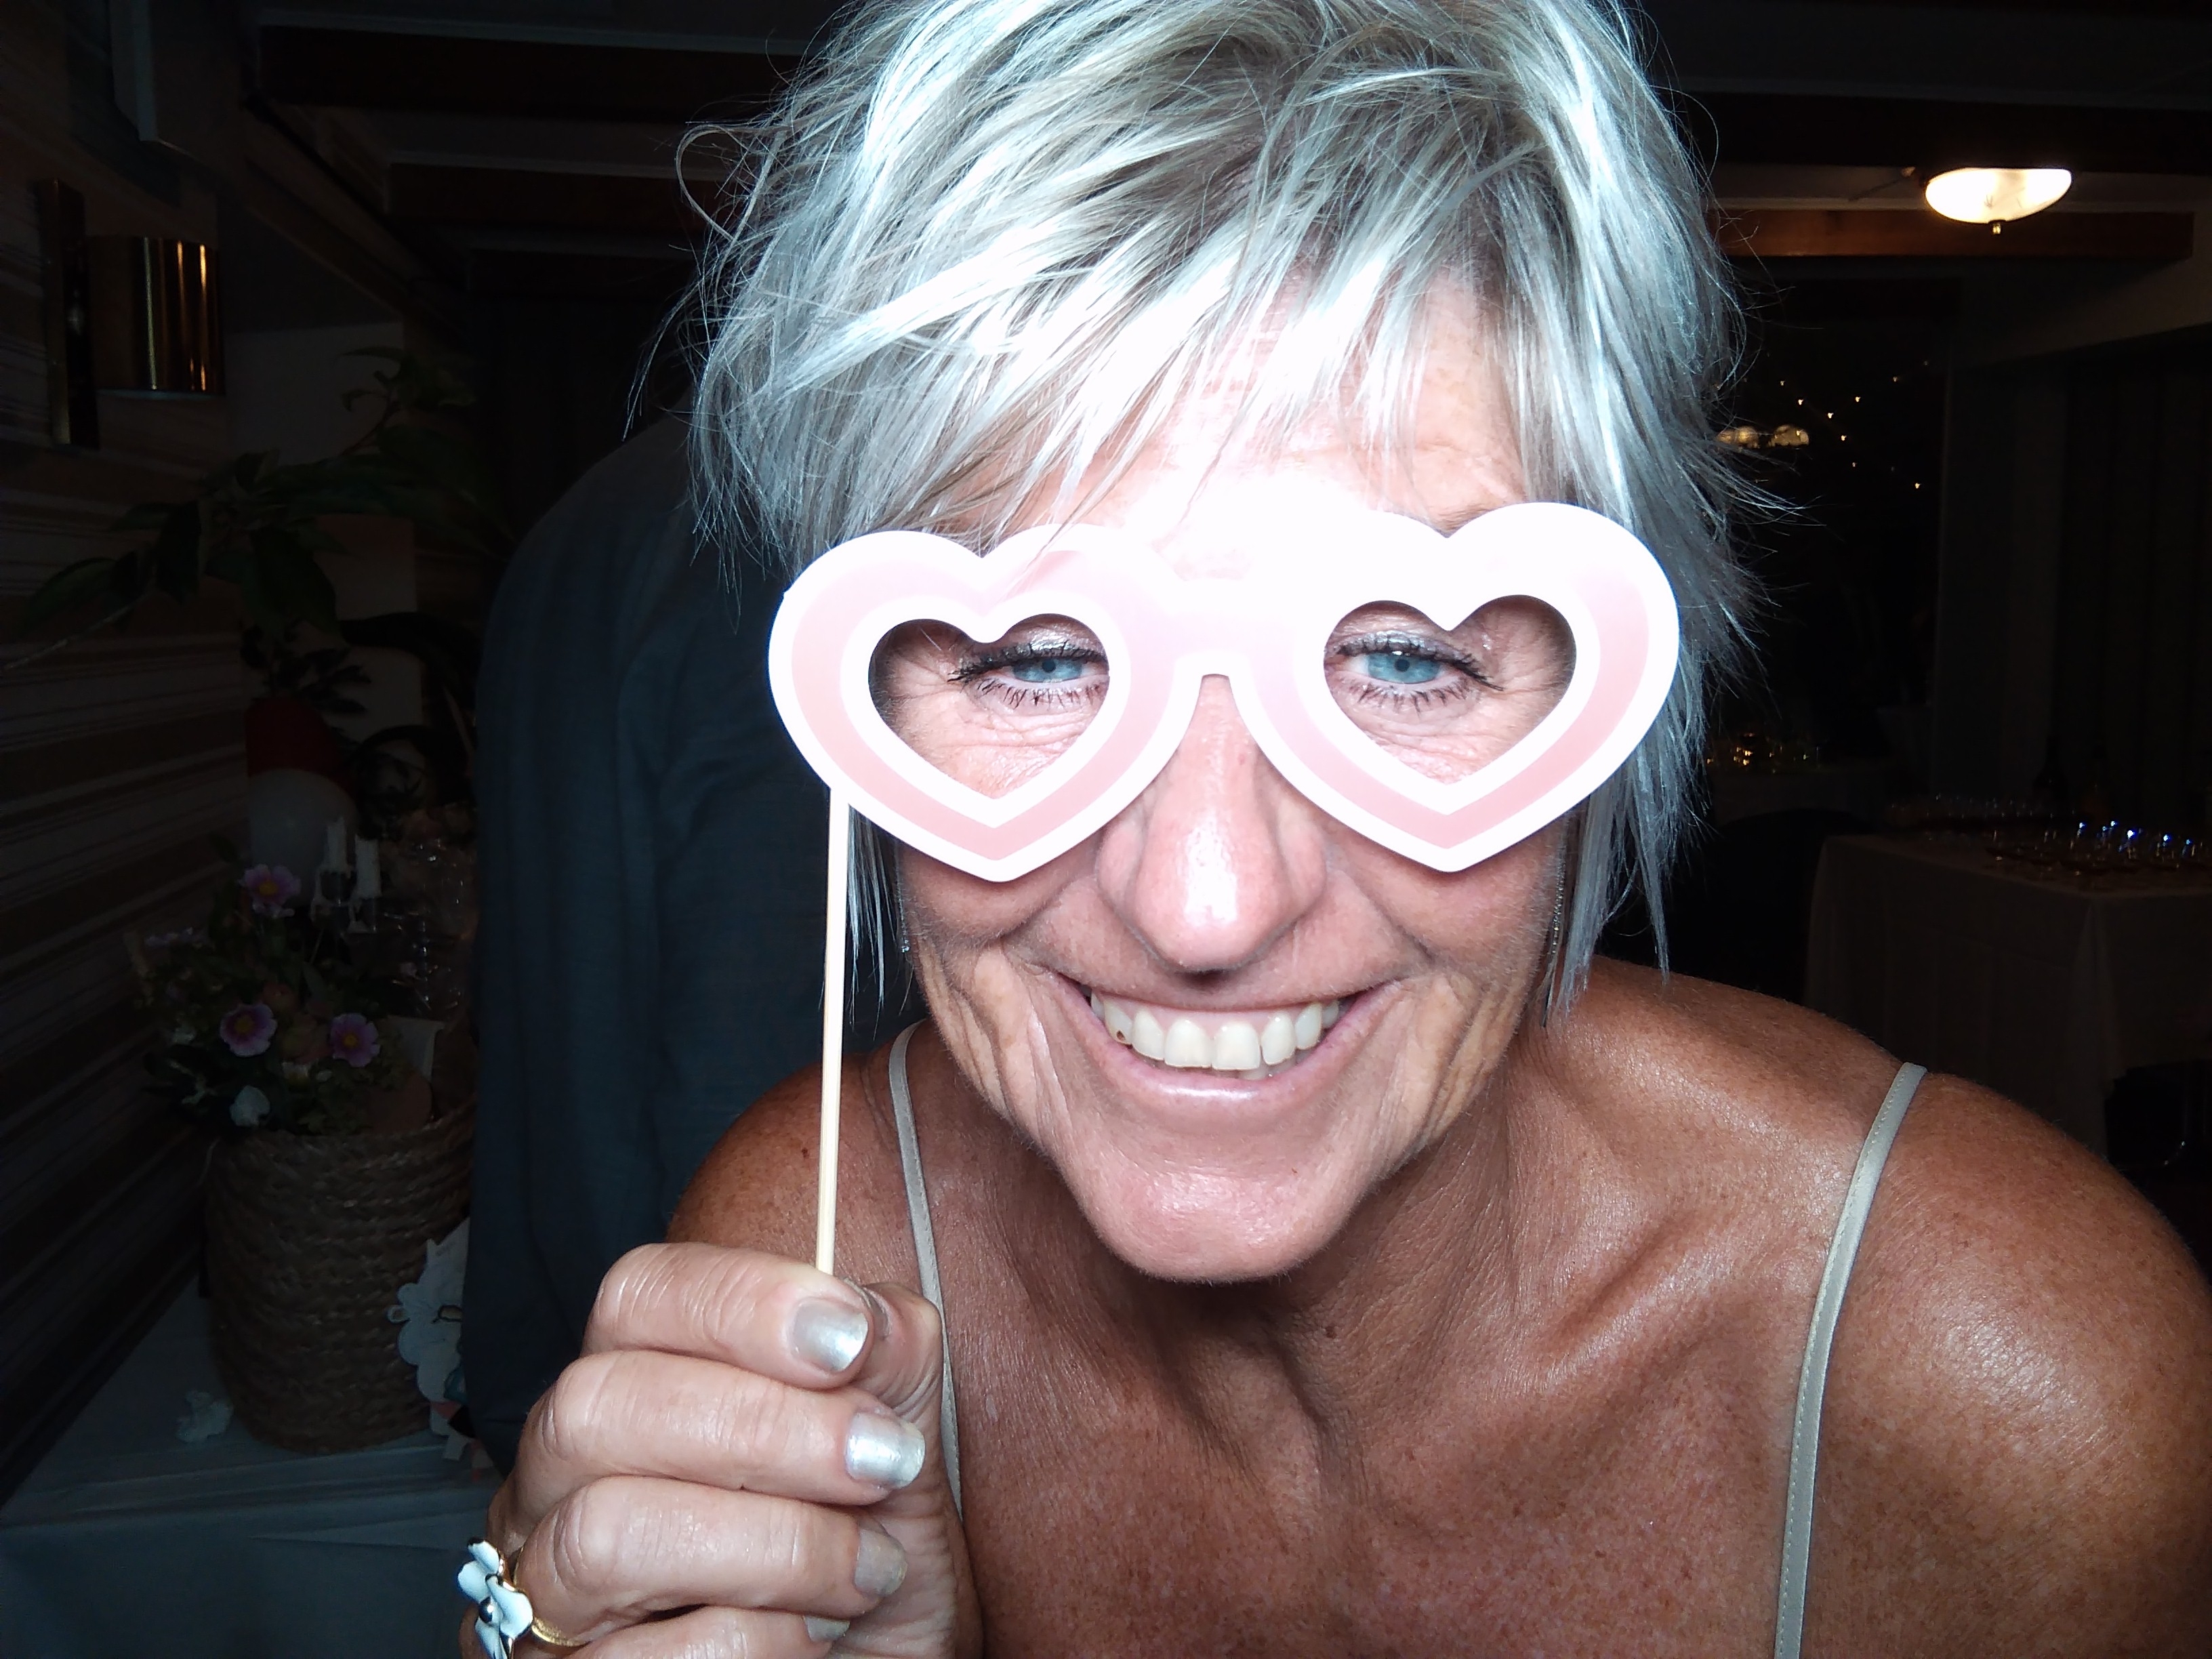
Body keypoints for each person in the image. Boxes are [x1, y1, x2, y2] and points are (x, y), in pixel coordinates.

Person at [464, 1, 2212, 1652]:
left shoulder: (2015, 1391)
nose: (1208, 905)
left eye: (1404, 658)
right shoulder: (818, 1258)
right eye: (1038, 659)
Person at [468, 419, 912, 1469]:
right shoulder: (781, 545)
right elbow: (760, 1030)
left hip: (567, 1293)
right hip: (714, 1379)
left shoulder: (588, 512)